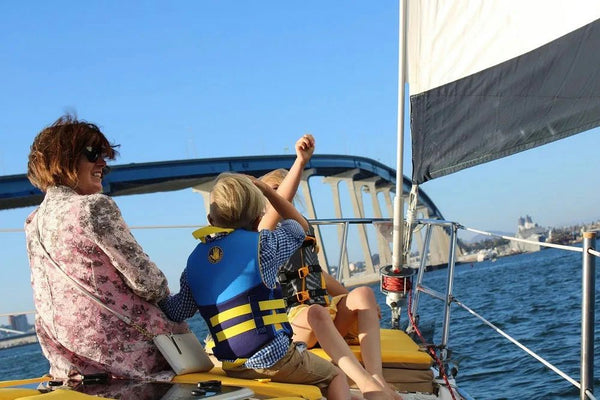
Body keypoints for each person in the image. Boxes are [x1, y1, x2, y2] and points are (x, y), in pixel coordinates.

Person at [159, 172, 372, 400]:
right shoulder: (264, 246)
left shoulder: (193, 263)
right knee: (334, 377)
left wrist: (157, 299)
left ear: (211, 221)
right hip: (275, 358)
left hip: (232, 363)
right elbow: (300, 227)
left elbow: (177, 311)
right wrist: (269, 191)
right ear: (258, 219)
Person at [25, 114, 190, 382]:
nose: (103, 163)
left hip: (70, 365)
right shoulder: (92, 207)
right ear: (63, 158)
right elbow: (149, 283)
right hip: (127, 359)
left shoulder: (32, 222)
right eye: (93, 154)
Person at [259, 134, 401, 400]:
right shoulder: (262, 236)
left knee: (363, 294)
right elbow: (280, 202)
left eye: (283, 190)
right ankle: (367, 386)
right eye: (274, 192)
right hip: (296, 322)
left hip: (323, 313)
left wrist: (356, 303)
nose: (282, 196)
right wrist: (300, 162)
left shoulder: (300, 231)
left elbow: (318, 276)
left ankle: (377, 376)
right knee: (316, 313)